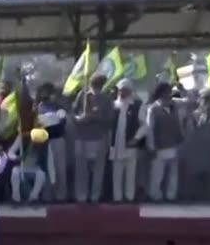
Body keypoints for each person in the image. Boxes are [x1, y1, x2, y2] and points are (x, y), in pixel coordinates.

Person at [72, 75, 113, 203]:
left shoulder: (106, 99)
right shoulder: (82, 96)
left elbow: (110, 119)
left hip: (99, 138)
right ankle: (81, 196)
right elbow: (73, 113)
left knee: (98, 170)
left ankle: (95, 196)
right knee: (81, 169)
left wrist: (95, 118)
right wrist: (80, 118)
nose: (94, 84)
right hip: (82, 138)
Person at [144, 82, 185, 202]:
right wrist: (151, 146)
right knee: (157, 174)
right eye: (167, 91)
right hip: (160, 146)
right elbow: (149, 128)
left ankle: (170, 196)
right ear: (161, 93)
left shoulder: (175, 105)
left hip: (175, 144)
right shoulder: (153, 108)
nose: (170, 94)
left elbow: (192, 101)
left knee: (173, 173)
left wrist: (182, 90)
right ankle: (155, 196)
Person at [109, 79, 145, 203]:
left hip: (130, 144)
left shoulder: (137, 106)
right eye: (120, 90)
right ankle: (117, 198)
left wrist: (136, 138)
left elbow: (145, 125)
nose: (121, 93)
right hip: (116, 145)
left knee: (130, 173)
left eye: (124, 90)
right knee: (117, 173)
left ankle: (130, 197)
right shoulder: (113, 105)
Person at [34, 84, 69, 202]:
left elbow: (63, 120)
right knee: (46, 169)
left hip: (57, 140)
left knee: (59, 168)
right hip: (43, 142)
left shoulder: (58, 107)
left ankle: (61, 195)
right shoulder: (38, 107)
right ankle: (47, 195)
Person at [9, 128, 49, 204]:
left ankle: (33, 197)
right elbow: (10, 153)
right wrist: (16, 158)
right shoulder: (21, 137)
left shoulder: (42, 139)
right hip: (22, 168)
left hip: (34, 168)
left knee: (41, 174)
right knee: (14, 171)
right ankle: (15, 198)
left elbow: (47, 157)